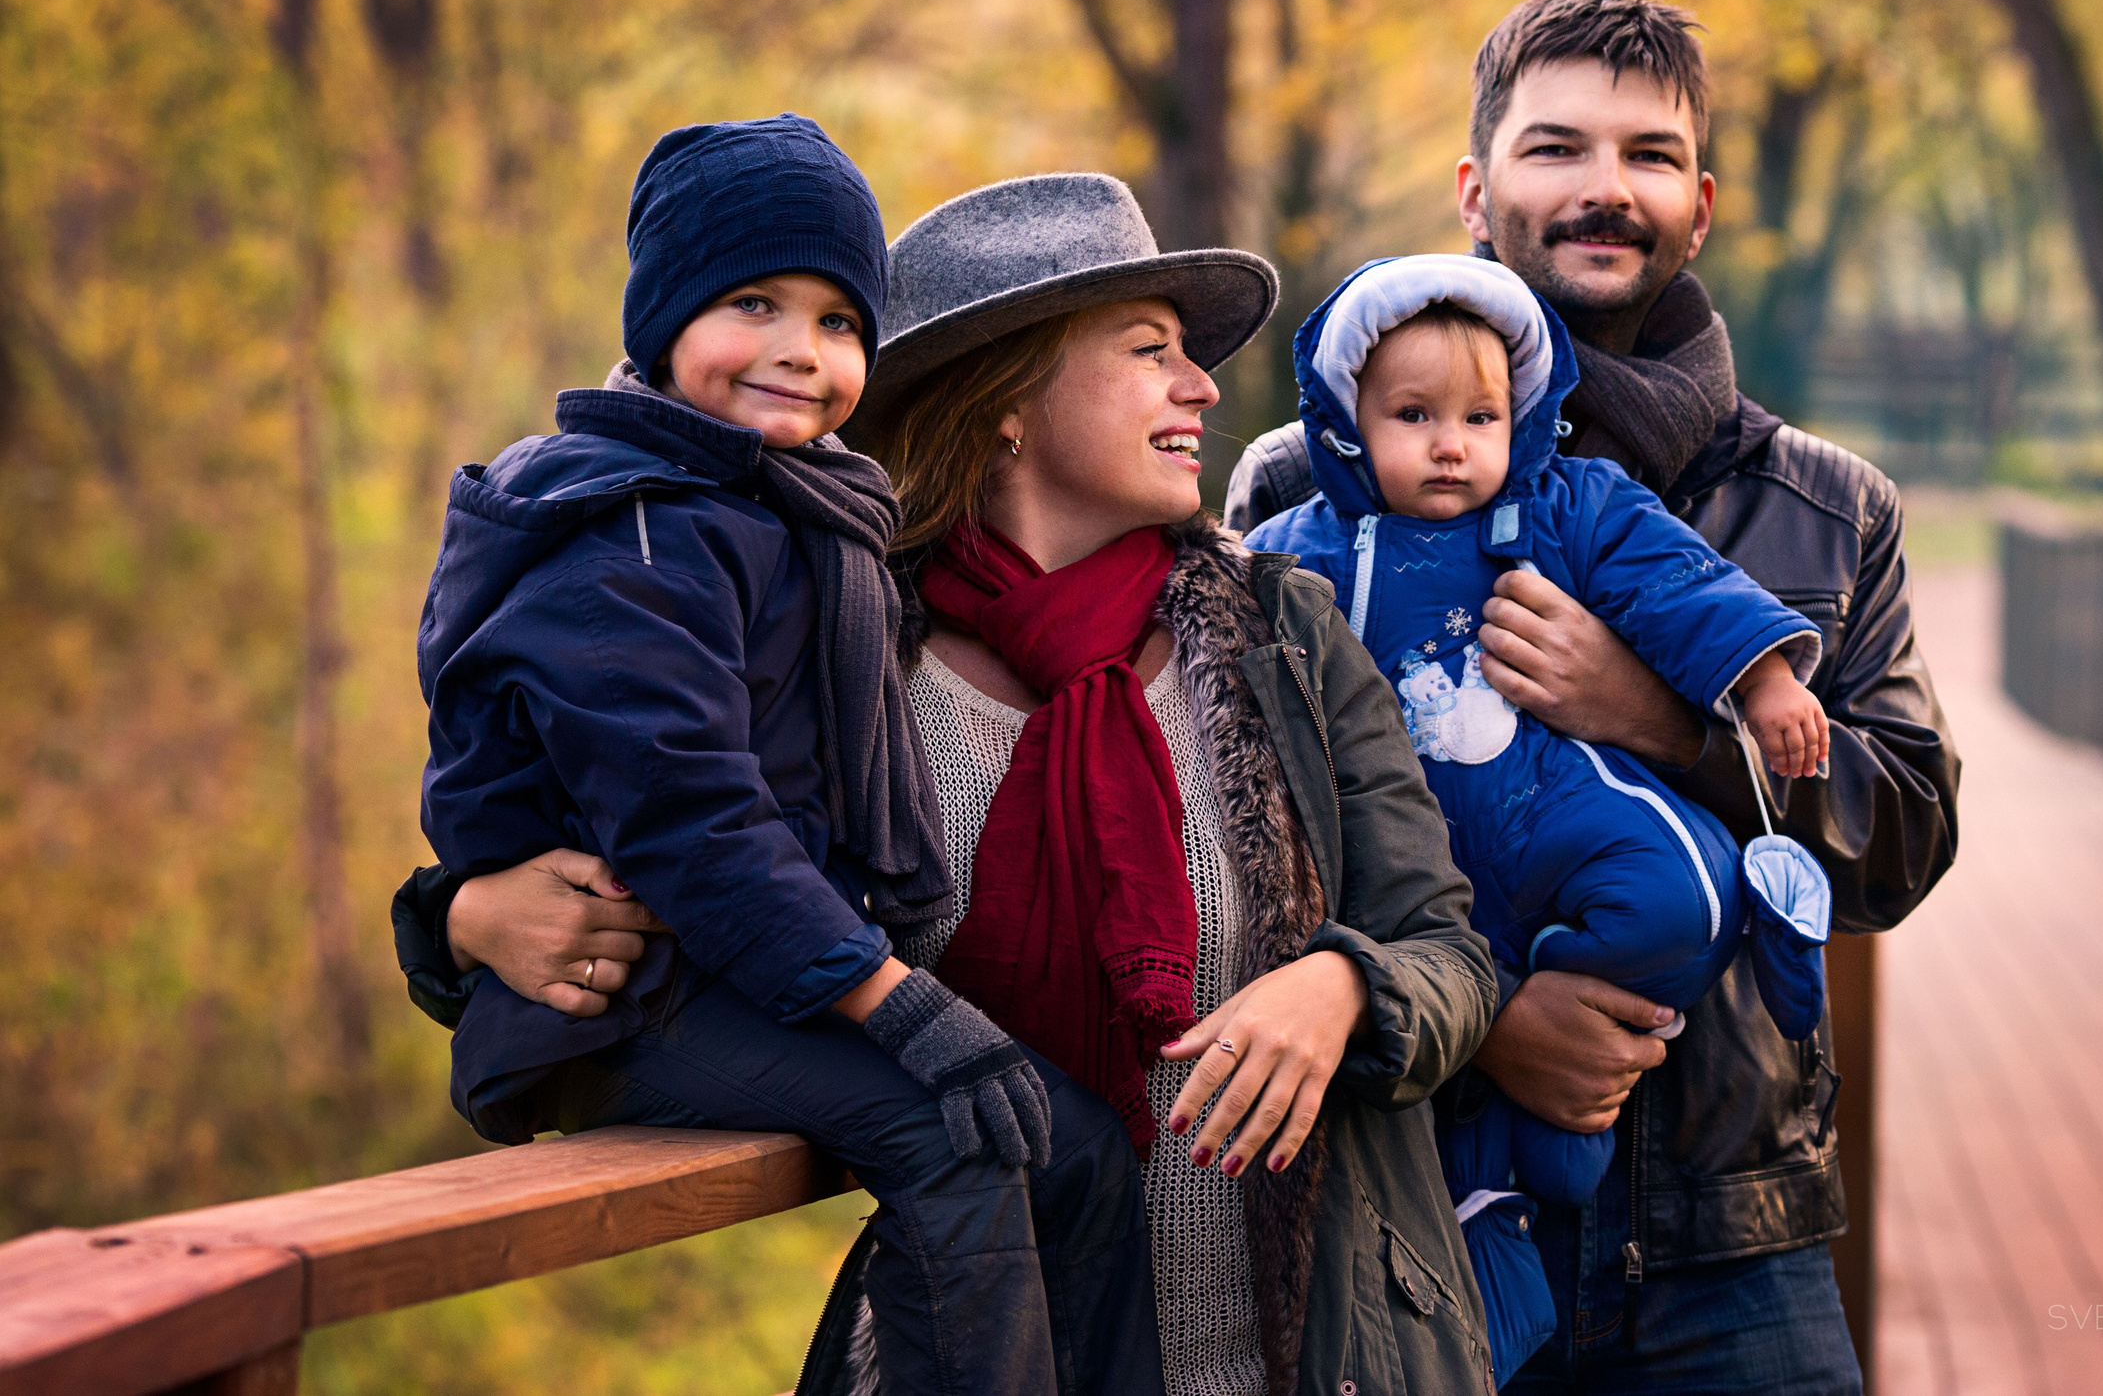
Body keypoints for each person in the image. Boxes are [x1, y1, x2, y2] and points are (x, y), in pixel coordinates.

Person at [397, 171, 1502, 1396]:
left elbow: (1449, 955)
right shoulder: (849, 649)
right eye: (1150, 351)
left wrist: (1344, 984)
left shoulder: (1277, 637)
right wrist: (460, 917)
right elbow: (673, 837)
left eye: (1192, 357)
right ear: (1009, 400)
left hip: (1315, 1358)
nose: (1200, 387)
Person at [1226, 0, 1960, 1393]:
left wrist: (1667, 721)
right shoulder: (1305, 488)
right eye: (1556, 148)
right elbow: (1238, 830)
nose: (1602, 189)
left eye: (1648, 153)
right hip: (1408, 1207)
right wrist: (1488, 1009)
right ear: (1475, 185)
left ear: (1702, 199)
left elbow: (1905, 836)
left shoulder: (1820, 507)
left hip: (1731, 1241)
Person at [407, 115, 1150, 1396]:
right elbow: (696, 823)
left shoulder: (806, 510)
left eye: (838, 322)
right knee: (958, 1139)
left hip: (755, 971)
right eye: (753, 303)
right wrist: (902, 1008)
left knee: (1071, 1143)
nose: (799, 354)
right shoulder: (626, 528)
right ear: (662, 317)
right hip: (636, 994)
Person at [1243, 257, 1833, 1212]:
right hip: (1417, 870)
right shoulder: (1298, 546)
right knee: (1447, 1046)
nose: (1450, 446)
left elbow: (1675, 577)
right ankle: (1493, 1194)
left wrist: (1762, 678)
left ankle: (1764, 922)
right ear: (1347, 423)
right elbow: (1223, 655)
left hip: (1554, 809)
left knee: (1684, 897)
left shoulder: (1565, 504)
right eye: (1412, 416)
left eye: (1480, 419)